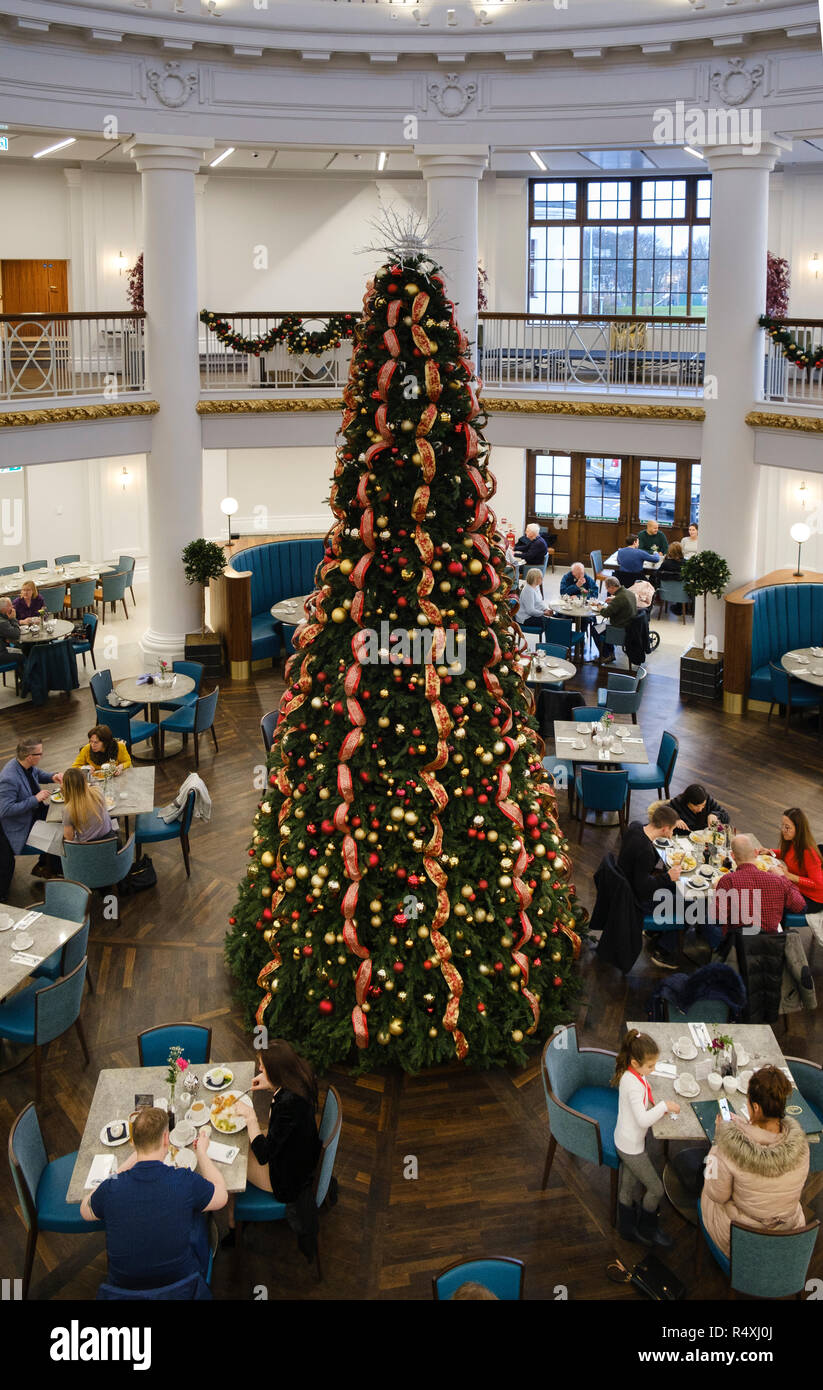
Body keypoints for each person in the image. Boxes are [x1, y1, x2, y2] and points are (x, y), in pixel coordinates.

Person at [81, 1106, 227, 1292]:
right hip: (183, 1290)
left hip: (124, 1293)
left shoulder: (111, 1188)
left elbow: (85, 1210)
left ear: (133, 1143)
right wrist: (202, 1153)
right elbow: (221, 1196)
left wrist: (121, 1169)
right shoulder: (183, 1180)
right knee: (198, 1216)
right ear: (166, 1139)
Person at [700, 1066, 809, 1260]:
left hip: (743, 1239)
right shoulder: (801, 1146)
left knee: (708, 1190)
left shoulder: (729, 1151)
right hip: (787, 1234)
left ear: (756, 1107)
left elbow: (716, 1194)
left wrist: (719, 1142)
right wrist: (743, 1127)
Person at [226, 1040, 322, 1256]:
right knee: (242, 1140)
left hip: (286, 1179)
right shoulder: (299, 1079)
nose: (259, 1069)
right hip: (298, 1155)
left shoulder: (288, 1106)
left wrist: (251, 1117)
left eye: (263, 1067)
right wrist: (271, 1083)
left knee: (232, 1164)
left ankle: (233, 1227)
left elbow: (263, 1155)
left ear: (278, 1072)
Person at [612, 1030, 680, 1247]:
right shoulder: (632, 1084)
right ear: (635, 1062)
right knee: (656, 1188)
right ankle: (647, 1229)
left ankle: (627, 1229)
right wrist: (663, 1106)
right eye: (650, 1066)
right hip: (631, 1146)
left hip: (628, 1139)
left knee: (628, 1185)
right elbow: (642, 1120)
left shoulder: (632, 1075)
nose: (654, 1069)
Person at [618, 803, 682, 969]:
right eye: (672, 830)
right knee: (689, 904)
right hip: (636, 902)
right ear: (665, 829)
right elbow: (644, 888)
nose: (672, 833)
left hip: (625, 888)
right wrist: (668, 876)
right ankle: (664, 951)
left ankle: (656, 932)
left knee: (677, 890)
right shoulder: (645, 851)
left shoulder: (635, 827)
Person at [0, 737, 63, 894]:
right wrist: (34, 799)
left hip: (34, 811)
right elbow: (5, 810)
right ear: (30, 757)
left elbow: (37, 773)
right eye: (40, 753)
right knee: (61, 832)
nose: (42, 756)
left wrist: (52, 776)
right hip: (21, 822)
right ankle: (52, 868)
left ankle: (47, 866)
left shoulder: (24, 765)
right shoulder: (9, 778)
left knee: (63, 819)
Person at [714, 835, 806, 936]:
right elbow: (801, 907)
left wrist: (717, 892)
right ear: (756, 853)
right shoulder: (778, 881)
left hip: (739, 943)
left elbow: (717, 918)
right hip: (770, 942)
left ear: (732, 856)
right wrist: (783, 877)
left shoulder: (727, 881)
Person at [772, 807, 823, 912]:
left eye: (787, 827)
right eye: (782, 826)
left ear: (798, 829)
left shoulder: (808, 852)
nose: (783, 831)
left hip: (812, 899)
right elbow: (787, 854)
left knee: (771, 902)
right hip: (797, 889)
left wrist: (788, 876)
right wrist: (770, 852)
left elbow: (817, 884)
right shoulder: (792, 841)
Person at [61, 766, 114, 843]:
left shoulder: (68, 809)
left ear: (66, 787)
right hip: (110, 844)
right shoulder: (98, 792)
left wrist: (66, 795)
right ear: (85, 781)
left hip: (87, 850)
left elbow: (69, 838)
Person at [592, 575, 636, 660]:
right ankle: (610, 653)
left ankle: (606, 655)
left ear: (611, 587)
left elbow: (605, 613)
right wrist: (613, 599)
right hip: (630, 626)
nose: (607, 590)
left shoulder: (618, 599)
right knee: (602, 626)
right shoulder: (629, 592)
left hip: (620, 629)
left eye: (607, 588)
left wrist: (599, 606)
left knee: (594, 629)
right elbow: (623, 602)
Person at [0, 596, 24, 680]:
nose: (13, 607)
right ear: (4, 608)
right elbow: (16, 634)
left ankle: (25, 681)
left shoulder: (3, 617)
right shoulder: (1, 622)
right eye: (10, 605)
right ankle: (27, 682)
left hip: (4, 647)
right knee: (23, 655)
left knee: (21, 648)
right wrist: (13, 618)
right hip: (2, 654)